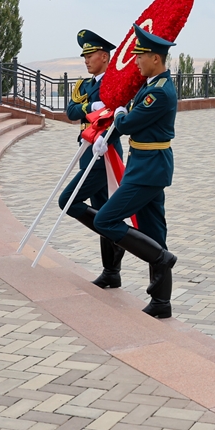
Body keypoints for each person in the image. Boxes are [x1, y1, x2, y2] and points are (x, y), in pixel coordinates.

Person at [81, 25, 180, 318]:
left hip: (149, 169)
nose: (135, 62)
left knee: (107, 220)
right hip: (145, 165)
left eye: (141, 56)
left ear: (156, 59)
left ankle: (164, 259)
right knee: (153, 231)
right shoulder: (150, 85)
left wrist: (121, 113)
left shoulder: (158, 93)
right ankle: (161, 303)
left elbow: (126, 125)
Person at [60, 30, 125, 289]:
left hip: (105, 153)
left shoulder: (114, 83)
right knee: (102, 211)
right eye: (84, 56)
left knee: (70, 200)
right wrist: (92, 107)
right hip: (88, 151)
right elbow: (72, 111)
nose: (86, 60)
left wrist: (95, 114)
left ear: (104, 56)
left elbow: (119, 114)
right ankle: (111, 272)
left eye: (90, 55)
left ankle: (121, 241)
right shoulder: (85, 85)